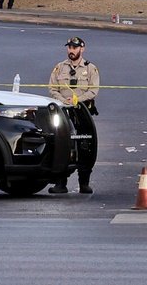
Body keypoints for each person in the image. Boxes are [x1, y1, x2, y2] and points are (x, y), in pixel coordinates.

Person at [48, 36, 100, 194]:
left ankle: (84, 182)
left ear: (82, 49)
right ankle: (60, 183)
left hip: (82, 112)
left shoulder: (91, 69)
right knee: (61, 144)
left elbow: (93, 90)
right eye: (69, 47)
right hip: (63, 111)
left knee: (85, 146)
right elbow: (52, 88)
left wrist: (78, 100)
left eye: (74, 48)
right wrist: (64, 101)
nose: (71, 50)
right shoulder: (59, 68)